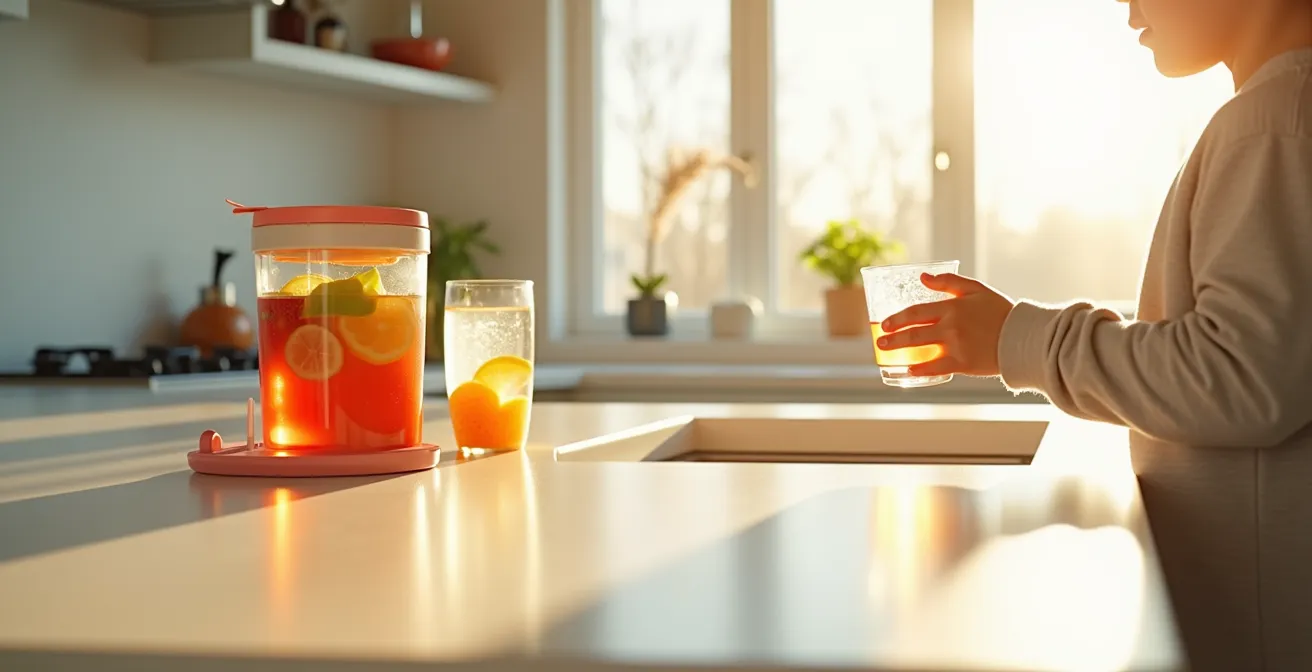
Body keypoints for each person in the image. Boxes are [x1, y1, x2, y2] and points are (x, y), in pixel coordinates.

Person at [876, 0, 1312, 669]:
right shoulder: (1276, 114)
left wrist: (1019, 339)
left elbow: (1238, 377)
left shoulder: (1272, 122)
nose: (1129, 10)